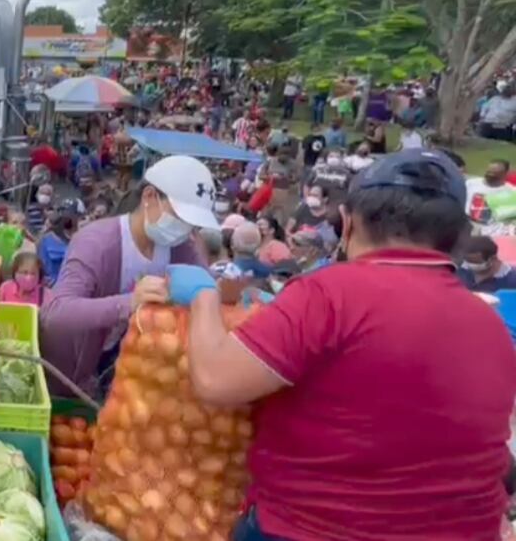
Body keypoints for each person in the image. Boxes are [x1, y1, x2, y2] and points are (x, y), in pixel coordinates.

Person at [167, 148, 516, 541]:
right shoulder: (492, 326)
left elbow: (215, 379)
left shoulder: (330, 295)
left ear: (349, 221)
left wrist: (203, 296)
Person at [39, 155, 215, 395]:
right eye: (180, 218)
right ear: (149, 197)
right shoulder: (97, 243)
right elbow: (57, 314)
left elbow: (206, 290)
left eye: (192, 224)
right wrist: (129, 303)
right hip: (71, 377)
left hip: (129, 377)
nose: (186, 229)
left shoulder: (181, 247)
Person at [465, 159, 514, 225]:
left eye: (496, 173)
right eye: (489, 172)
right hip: (467, 223)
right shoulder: (470, 183)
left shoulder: (511, 191)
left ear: (506, 173)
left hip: (492, 228)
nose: (491, 175)